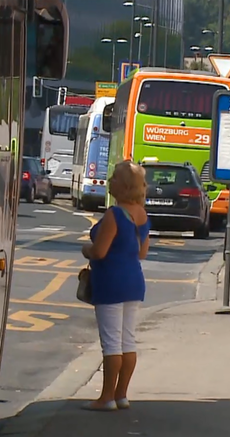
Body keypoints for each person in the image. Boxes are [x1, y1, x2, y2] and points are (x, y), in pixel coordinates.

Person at [80, 161, 151, 411]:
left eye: (113, 178)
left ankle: (106, 397)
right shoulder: (142, 215)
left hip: (111, 281)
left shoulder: (114, 214)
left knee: (111, 342)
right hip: (134, 281)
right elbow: (142, 253)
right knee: (127, 340)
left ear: (122, 186)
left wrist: (85, 249)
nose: (109, 181)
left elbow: (100, 251)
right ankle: (121, 395)